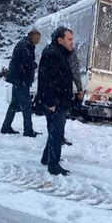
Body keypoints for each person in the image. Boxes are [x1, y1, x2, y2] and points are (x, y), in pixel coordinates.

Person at [38, 26, 74, 176]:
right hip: (56, 101)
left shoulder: (59, 53)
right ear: (60, 40)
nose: (73, 42)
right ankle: (53, 164)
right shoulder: (52, 54)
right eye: (70, 39)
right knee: (56, 132)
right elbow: (46, 80)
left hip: (60, 99)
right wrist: (50, 102)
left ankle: (47, 158)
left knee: (55, 131)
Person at [1, 30, 41, 137]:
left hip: (17, 79)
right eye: (38, 38)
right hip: (22, 79)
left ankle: (6, 126)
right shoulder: (27, 45)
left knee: (14, 104)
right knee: (26, 106)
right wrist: (35, 65)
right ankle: (28, 130)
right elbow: (27, 63)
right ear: (32, 36)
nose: (39, 41)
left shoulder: (22, 43)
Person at [62, 49, 84, 146]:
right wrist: (79, 88)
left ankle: (54, 137)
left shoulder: (48, 50)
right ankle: (58, 138)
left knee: (52, 117)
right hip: (63, 89)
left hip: (51, 90)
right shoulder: (70, 53)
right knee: (60, 116)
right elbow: (75, 72)